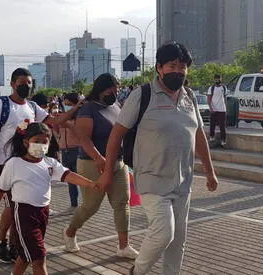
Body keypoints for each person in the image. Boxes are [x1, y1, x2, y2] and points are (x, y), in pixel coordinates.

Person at [99, 42, 219, 275]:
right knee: (164, 232)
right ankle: (138, 270)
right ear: (159, 68)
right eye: (172, 66)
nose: (178, 71)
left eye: (183, 67)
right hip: (152, 178)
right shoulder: (142, 95)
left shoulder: (189, 97)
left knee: (177, 242)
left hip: (183, 181)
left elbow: (199, 135)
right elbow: (116, 135)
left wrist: (210, 171)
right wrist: (107, 171)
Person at [0, 68, 82, 263]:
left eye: (29, 83)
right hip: (6, 162)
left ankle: (10, 243)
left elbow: (53, 121)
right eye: (21, 83)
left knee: (17, 205)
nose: (26, 86)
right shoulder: (2, 105)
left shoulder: (32, 106)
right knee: (14, 205)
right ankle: (5, 241)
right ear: (12, 84)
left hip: (27, 161)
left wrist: (75, 108)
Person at [0, 121, 96, 274]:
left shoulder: (49, 163)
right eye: (36, 142)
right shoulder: (14, 164)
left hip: (43, 214)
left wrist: (91, 184)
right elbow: (0, 190)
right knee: (39, 257)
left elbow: (68, 175)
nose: (40, 145)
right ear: (26, 142)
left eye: (44, 142)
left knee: (26, 256)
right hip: (24, 214)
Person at [63, 73, 139, 259]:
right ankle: (70, 232)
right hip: (92, 163)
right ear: (101, 89)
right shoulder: (88, 109)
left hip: (117, 162)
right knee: (91, 205)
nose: (115, 92)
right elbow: (84, 138)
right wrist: (98, 158)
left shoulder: (115, 106)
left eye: (117, 89)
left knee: (122, 203)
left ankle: (124, 246)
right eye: (111, 89)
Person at [56, 92, 81, 213]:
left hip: (76, 149)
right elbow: (56, 130)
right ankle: (73, 204)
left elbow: (82, 134)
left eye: (69, 104)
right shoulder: (63, 116)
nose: (66, 107)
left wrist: (70, 125)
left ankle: (87, 204)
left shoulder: (81, 117)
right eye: (65, 104)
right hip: (64, 150)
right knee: (70, 179)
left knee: (80, 178)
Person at [207, 74, 228, 147]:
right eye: (216, 79)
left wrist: (226, 108)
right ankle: (212, 139)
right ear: (214, 80)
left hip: (222, 110)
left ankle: (223, 141)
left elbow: (224, 98)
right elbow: (209, 98)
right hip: (214, 110)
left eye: (219, 79)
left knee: (222, 126)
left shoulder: (224, 88)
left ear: (221, 79)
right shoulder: (211, 88)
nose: (217, 80)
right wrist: (210, 108)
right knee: (212, 125)